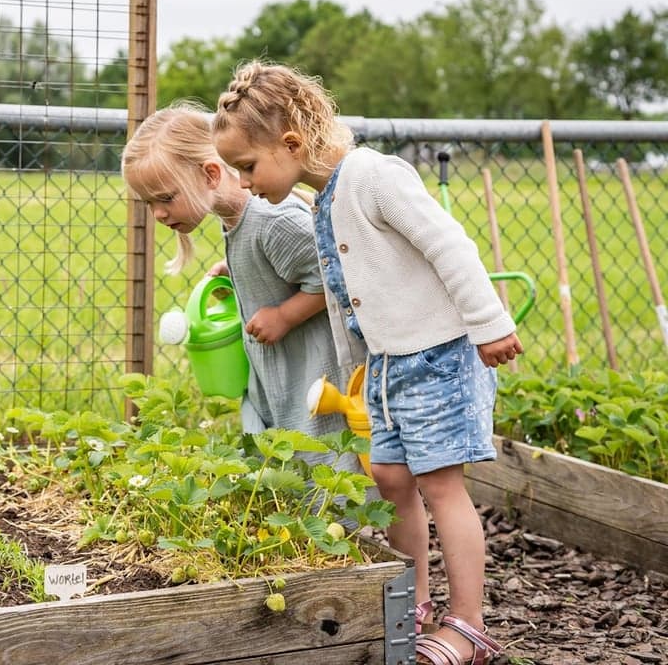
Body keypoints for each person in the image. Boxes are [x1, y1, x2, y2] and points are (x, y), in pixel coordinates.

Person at [211, 61, 521, 665]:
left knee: (440, 485)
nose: (244, 183)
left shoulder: (374, 178)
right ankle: (413, 605)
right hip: (384, 368)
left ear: (292, 143)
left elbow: (448, 243)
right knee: (389, 479)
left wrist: (490, 325)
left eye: (247, 166)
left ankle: (470, 627)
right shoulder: (324, 197)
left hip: (435, 358)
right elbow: (342, 286)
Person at [121, 101, 364, 475]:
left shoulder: (271, 220)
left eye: (166, 197)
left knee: (325, 477)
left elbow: (337, 276)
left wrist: (284, 315)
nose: (158, 213)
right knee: (289, 480)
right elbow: (283, 268)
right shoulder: (239, 218)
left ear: (212, 174)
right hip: (285, 380)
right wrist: (239, 271)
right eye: (149, 202)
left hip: (318, 383)